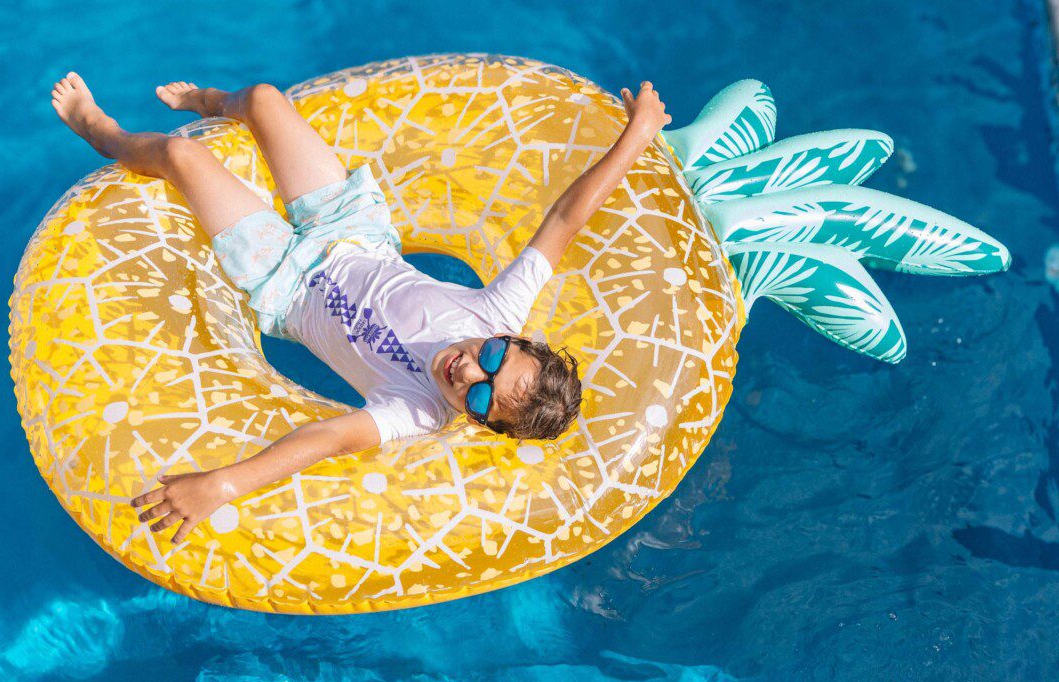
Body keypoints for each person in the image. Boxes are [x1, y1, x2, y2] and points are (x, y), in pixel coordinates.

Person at [51, 71, 671, 543]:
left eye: (483, 400)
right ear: (512, 339)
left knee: (184, 158)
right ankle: (210, 103)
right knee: (263, 98)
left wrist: (224, 484)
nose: (468, 373)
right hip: (352, 229)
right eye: (491, 358)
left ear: (485, 426)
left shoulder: (418, 410)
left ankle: (101, 132)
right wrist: (638, 133)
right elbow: (566, 218)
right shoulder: (499, 309)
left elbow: (328, 438)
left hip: (283, 278)